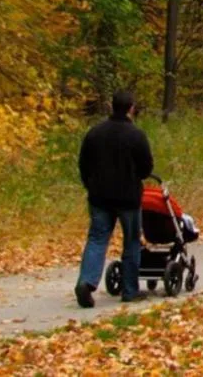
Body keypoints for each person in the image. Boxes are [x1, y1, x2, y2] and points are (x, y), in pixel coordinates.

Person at [75, 89, 154, 308]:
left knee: (97, 239)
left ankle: (87, 282)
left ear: (111, 107)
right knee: (131, 241)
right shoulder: (136, 136)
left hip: (100, 196)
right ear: (131, 108)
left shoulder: (94, 133)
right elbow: (146, 168)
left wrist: (90, 185)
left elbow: (83, 164)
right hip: (128, 198)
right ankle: (129, 290)